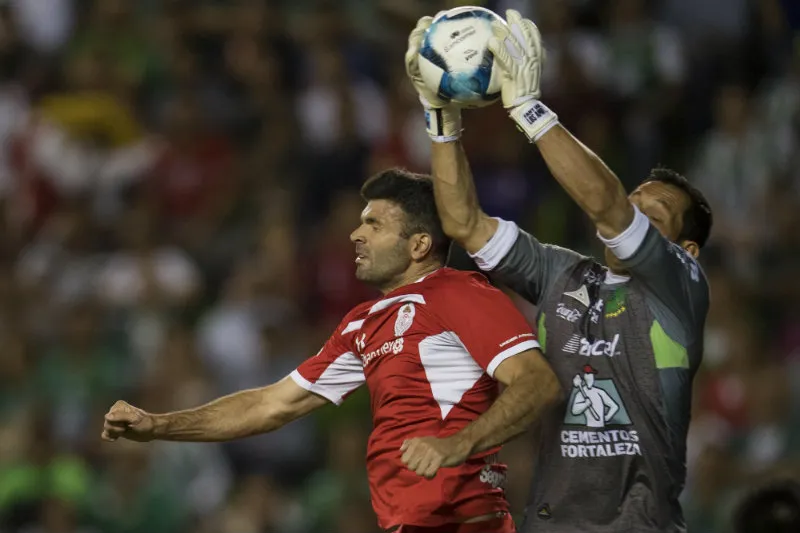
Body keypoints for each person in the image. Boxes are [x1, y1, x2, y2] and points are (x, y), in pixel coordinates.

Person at [101, 169, 561, 533]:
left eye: (374, 224)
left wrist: (460, 443)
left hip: (465, 523)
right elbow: (270, 404)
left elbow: (538, 383)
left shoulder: (459, 294)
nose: (355, 235)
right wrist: (160, 425)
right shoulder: (362, 324)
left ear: (420, 244)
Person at [406, 9, 713, 533]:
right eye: (635, 196)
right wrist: (440, 119)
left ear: (686, 249)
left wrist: (527, 108)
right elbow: (463, 224)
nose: (634, 207)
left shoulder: (680, 287)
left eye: (652, 212)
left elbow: (607, 206)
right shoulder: (561, 273)